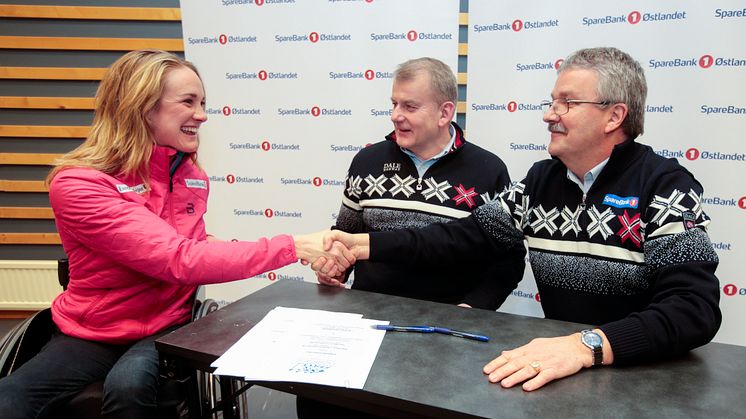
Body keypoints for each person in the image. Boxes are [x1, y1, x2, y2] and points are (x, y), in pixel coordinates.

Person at [321, 47, 721, 392]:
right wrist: (363, 245)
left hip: (640, 378)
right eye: (552, 101)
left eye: (567, 103)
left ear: (614, 116)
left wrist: (586, 345)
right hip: (558, 373)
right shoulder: (540, 181)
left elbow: (694, 309)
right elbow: (464, 236)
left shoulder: (666, 187)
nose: (550, 115)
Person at [0, 49, 352, 419]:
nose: (201, 115)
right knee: (10, 400)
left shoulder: (189, 174)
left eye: (202, 102)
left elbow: (191, 247)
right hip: (93, 330)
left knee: (130, 386)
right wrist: (293, 246)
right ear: (142, 106)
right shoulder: (78, 184)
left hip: (167, 321)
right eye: (188, 102)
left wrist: (301, 250)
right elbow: (175, 258)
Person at [317, 57, 524, 309]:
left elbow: (509, 259)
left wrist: (474, 307)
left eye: (410, 107)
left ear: (444, 113)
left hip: (449, 325)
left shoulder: (489, 170)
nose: (395, 116)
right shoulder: (366, 161)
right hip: (367, 318)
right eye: (394, 104)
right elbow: (347, 236)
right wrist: (334, 269)